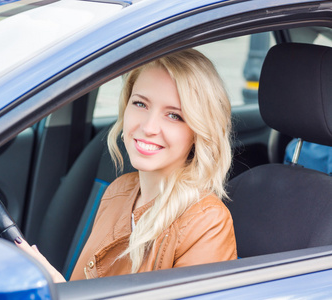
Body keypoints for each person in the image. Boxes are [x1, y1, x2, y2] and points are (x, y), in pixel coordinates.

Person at [16, 49, 237, 282]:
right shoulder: (118, 192)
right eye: (140, 104)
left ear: (198, 132)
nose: (149, 126)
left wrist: (60, 290)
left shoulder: (206, 222)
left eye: (174, 116)